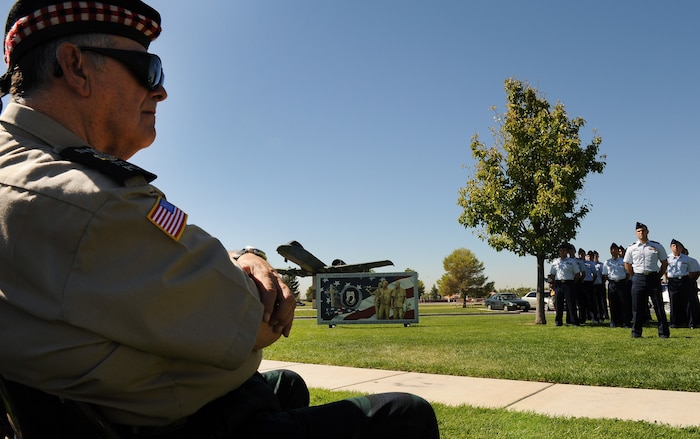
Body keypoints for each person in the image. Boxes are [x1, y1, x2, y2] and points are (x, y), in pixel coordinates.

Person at [0, 1, 440, 438]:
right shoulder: (84, 201)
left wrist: (241, 256)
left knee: (287, 385)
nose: (160, 91)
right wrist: (249, 268)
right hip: (175, 423)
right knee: (405, 415)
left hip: (123, 410)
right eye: (147, 69)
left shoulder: (29, 170)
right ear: (75, 67)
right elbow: (257, 320)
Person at [623, 222, 670, 338]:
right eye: (638, 231)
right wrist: (633, 276)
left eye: (643, 230)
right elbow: (627, 264)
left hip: (653, 278)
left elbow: (664, 263)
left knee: (658, 306)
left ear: (647, 231)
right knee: (637, 308)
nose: (641, 233)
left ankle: (663, 333)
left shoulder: (657, 246)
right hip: (638, 278)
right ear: (635, 233)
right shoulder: (631, 248)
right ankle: (636, 333)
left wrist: (658, 275)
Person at [548, 243, 581, 326]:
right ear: (559, 251)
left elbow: (577, 274)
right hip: (559, 284)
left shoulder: (571, 261)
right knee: (558, 304)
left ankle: (574, 321)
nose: (562, 252)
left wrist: (572, 283)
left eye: (564, 250)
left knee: (571, 304)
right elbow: (552, 274)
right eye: (561, 250)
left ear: (567, 251)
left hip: (569, 284)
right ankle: (558, 321)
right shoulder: (555, 262)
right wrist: (554, 283)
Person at [601, 243, 628, 328]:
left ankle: (625, 322)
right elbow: (605, 274)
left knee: (623, 303)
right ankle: (613, 321)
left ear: (618, 251)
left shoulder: (623, 261)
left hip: (622, 283)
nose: (613, 251)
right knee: (612, 303)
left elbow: (627, 273)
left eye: (615, 249)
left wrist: (624, 282)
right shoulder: (607, 262)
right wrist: (611, 281)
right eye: (612, 250)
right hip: (612, 284)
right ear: (610, 251)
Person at [666, 239, 691, 328]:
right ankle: (674, 323)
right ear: (670, 248)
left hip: (684, 280)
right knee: (674, 302)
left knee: (687, 302)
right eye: (673, 246)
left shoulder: (686, 258)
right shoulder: (667, 259)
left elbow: (691, 270)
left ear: (681, 248)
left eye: (677, 246)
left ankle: (689, 322)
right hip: (673, 281)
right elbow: (665, 271)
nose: (675, 248)